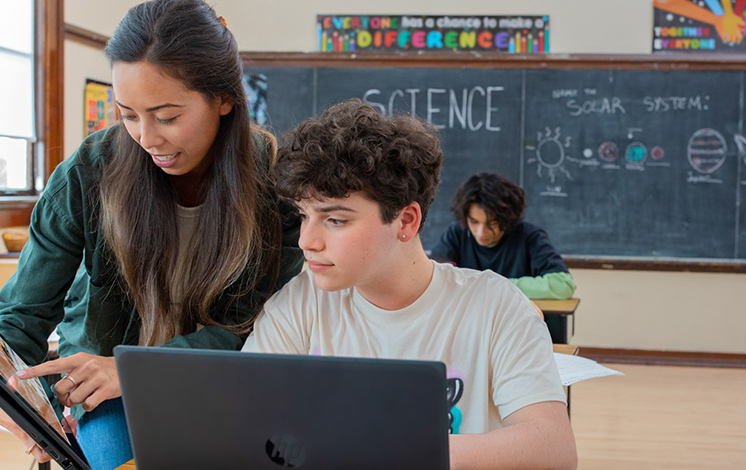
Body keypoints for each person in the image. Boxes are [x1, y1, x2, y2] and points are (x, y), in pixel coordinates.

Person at [0, 1, 303, 468]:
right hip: (107, 400)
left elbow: (254, 330)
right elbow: (20, 319)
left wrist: (135, 369)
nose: (146, 137)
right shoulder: (88, 172)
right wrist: (28, 408)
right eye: (128, 114)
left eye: (166, 116)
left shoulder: (275, 184)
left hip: (224, 387)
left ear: (224, 99)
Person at [242, 99, 578, 470]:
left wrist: (391, 448)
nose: (307, 240)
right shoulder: (299, 305)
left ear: (405, 221)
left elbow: (553, 449)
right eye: (304, 215)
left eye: (335, 220)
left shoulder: (495, 306)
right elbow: (249, 427)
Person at [429, 173, 576, 340]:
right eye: (474, 222)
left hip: (519, 333)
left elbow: (563, 285)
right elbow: (436, 276)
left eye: (492, 223)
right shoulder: (457, 234)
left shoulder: (529, 237)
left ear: (507, 219)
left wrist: (500, 287)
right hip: (470, 332)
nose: (480, 232)